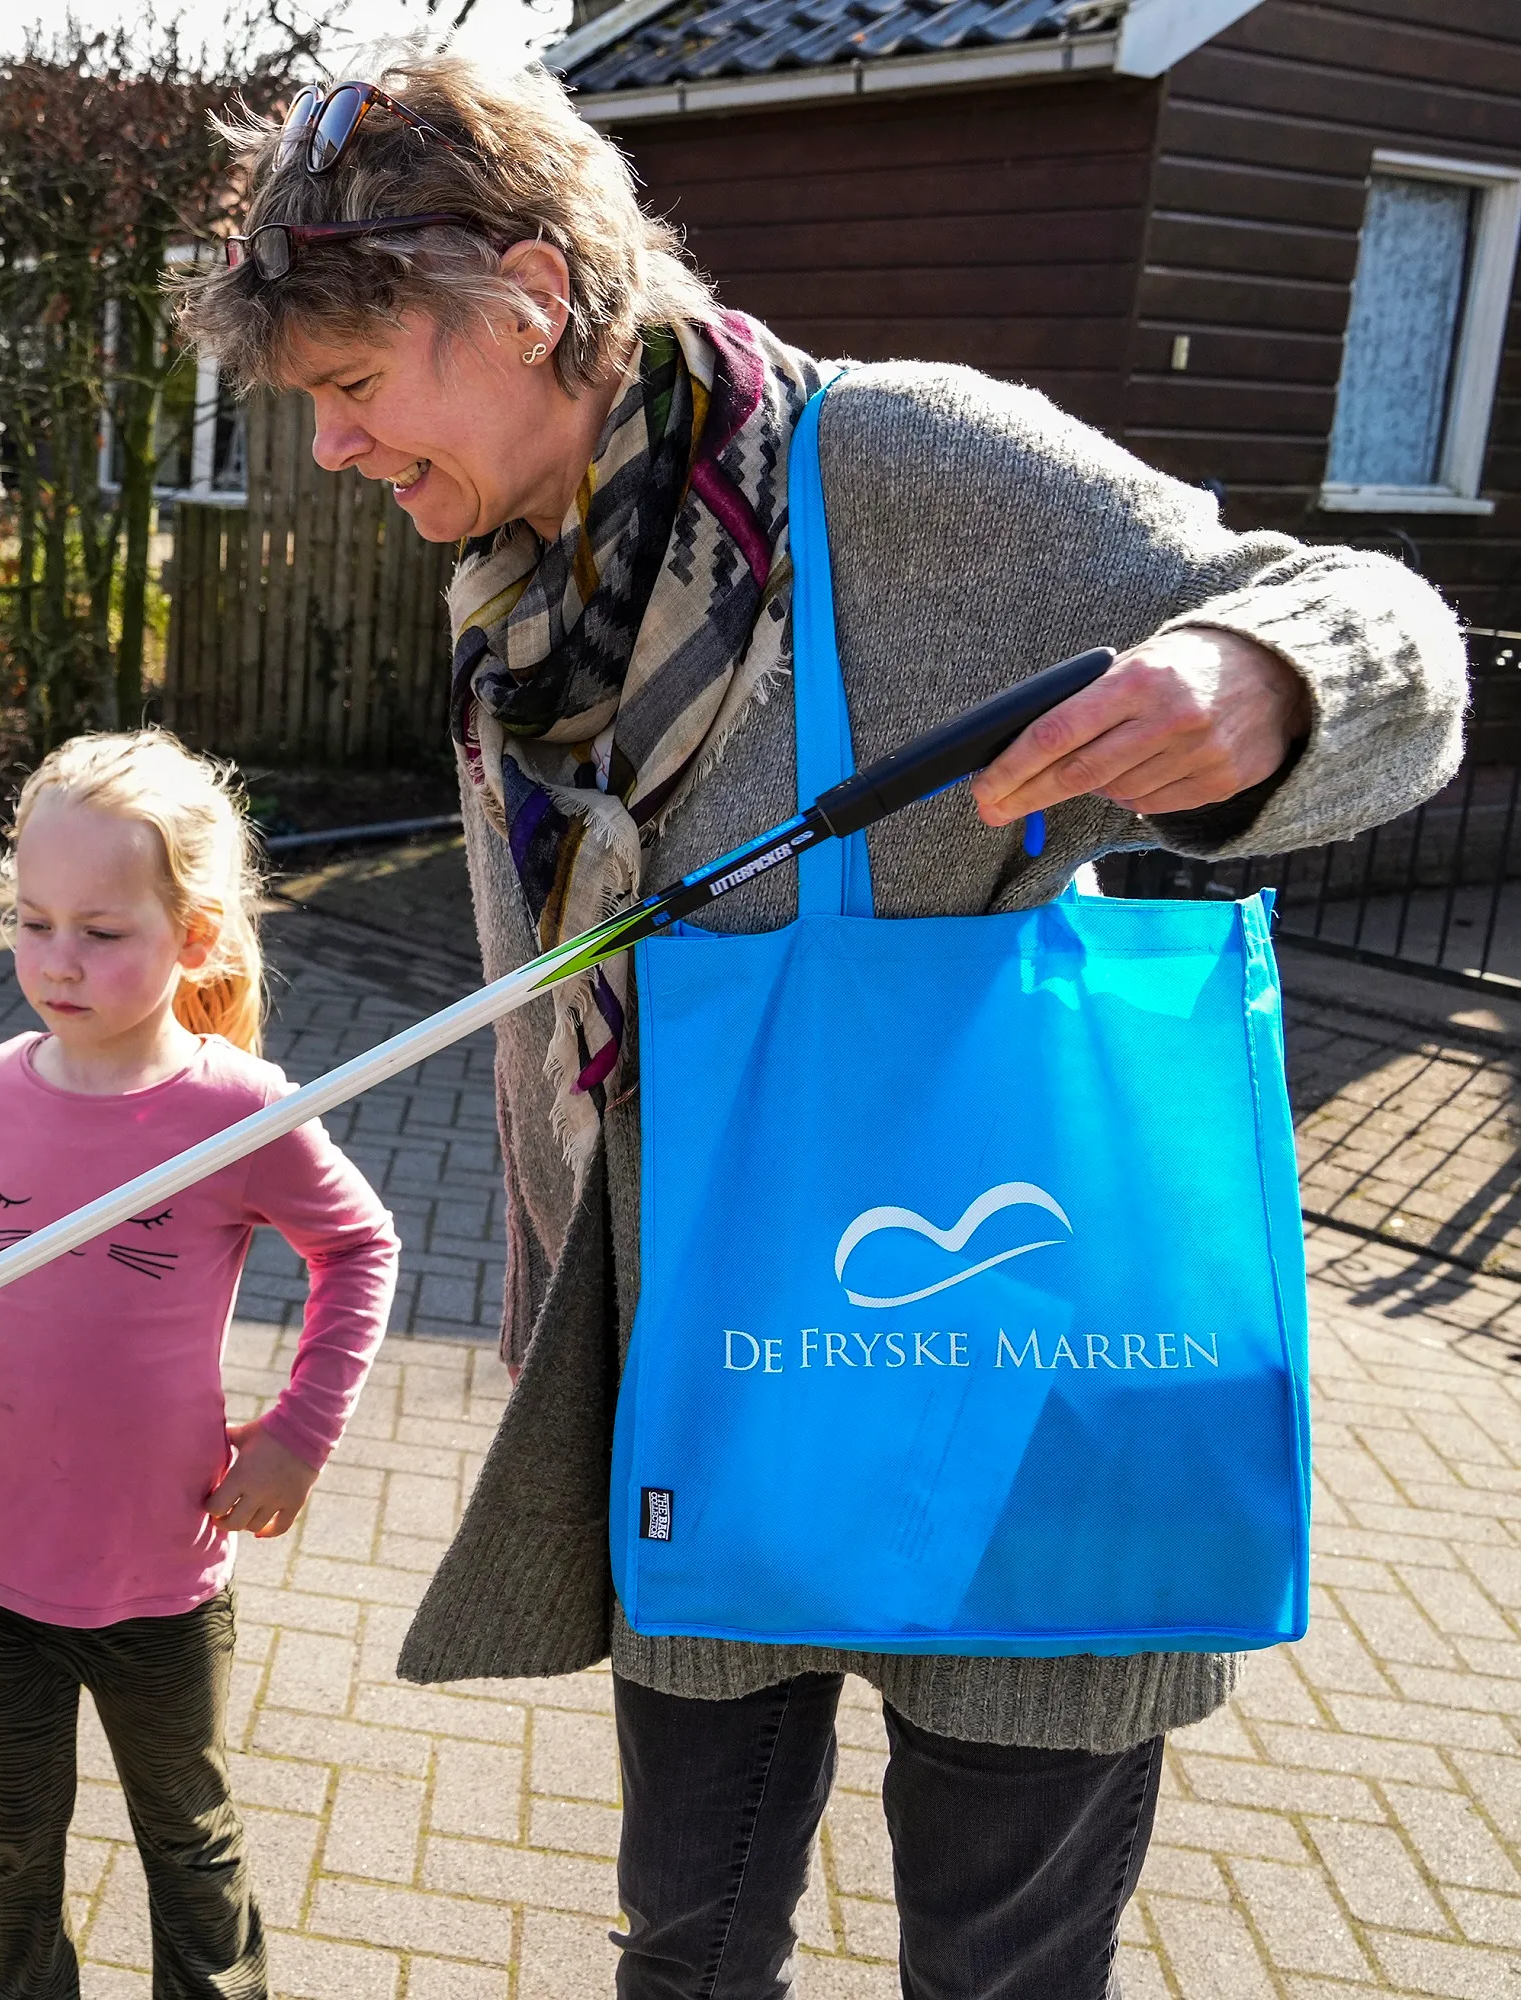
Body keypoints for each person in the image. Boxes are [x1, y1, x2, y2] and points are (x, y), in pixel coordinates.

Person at [171, 55, 1467, 1999]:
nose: (334, 444)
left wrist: (1261, 676)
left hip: (1018, 1386)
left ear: (530, 297)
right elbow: (571, 1041)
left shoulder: (903, 473)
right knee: (688, 1954)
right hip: (712, 1375)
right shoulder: (520, 593)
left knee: (997, 1971)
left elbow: (1381, 626)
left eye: (353, 384)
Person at [0, 729, 399, 2000]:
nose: (57, 959)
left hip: (157, 1571)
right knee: (7, 1854)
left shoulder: (241, 1111)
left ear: (196, 937)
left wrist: (300, 1432)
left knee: (188, 1839)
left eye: (102, 930)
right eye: (32, 920)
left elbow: (360, 1247)